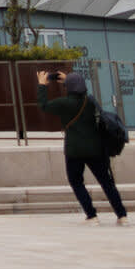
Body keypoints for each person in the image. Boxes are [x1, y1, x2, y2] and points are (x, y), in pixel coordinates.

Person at [37, 68, 126, 224]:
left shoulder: (64, 104)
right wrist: (68, 80)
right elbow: (83, 94)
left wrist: (42, 85)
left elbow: (43, 105)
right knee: (107, 182)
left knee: (76, 182)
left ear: (69, 88)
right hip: (96, 149)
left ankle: (91, 215)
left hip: (74, 150)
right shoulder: (90, 101)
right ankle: (122, 215)